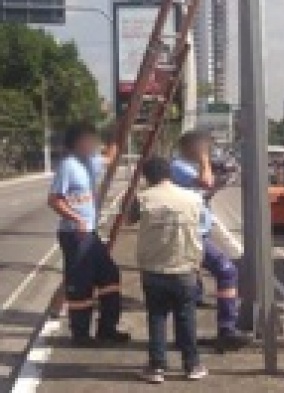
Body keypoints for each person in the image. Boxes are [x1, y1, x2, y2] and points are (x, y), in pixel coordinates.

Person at [48, 121, 130, 346]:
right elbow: (54, 200)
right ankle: (81, 334)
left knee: (110, 276)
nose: (94, 144)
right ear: (76, 143)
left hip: (90, 233)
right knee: (81, 284)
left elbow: (110, 157)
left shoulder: (90, 162)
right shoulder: (68, 166)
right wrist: (76, 219)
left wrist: (118, 133)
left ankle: (107, 328)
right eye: (89, 140)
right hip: (74, 234)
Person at [130, 157, 208, 383]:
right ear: (170, 173)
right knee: (186, 317)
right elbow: (201, 226)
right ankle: (192, 365)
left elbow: (127, 220)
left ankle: (156, 367)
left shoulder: (143, 198)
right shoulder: (193, 198)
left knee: (156, 317)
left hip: (154, 268)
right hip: (185, 267)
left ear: (147, 177)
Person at [170, 130, 249, 351]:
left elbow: (205, 188)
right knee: (226, 271)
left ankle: (189, 335)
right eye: (204, 148)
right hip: (191, 233)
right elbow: (205, 182)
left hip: (196, 231)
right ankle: (226, 329)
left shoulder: (186, 167)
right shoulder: (179, 166)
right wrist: (205, 159)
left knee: (190, 286)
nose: (208, 152)